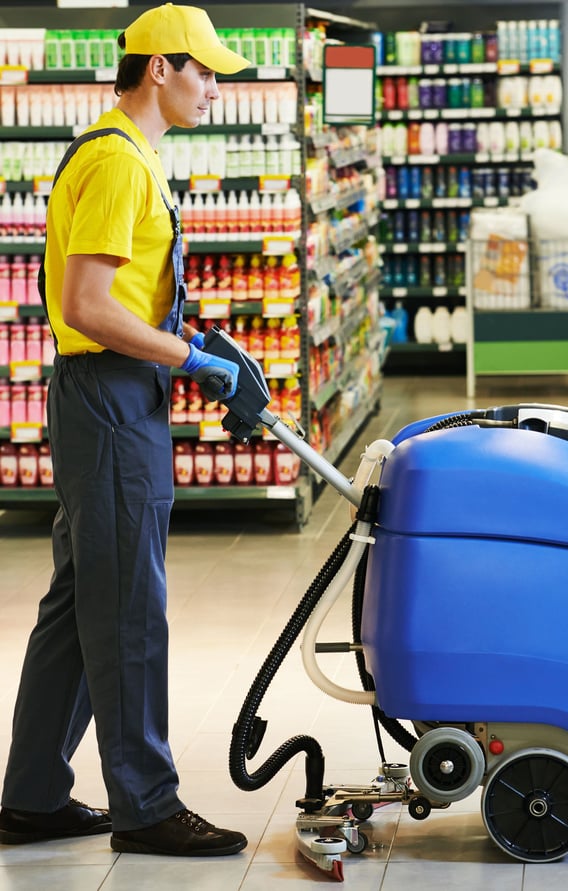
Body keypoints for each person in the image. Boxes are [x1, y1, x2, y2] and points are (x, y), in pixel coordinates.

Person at [0, 4, 250, 857]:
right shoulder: (117, 163)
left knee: (80, 604)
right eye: (204, 72)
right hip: (110, 399)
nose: (214, 89)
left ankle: (32, 793)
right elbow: (85, 306)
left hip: (108, 394)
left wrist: (195, 344)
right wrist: (187, 357)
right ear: (158, 69)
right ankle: (145, 803)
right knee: (129, 608)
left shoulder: (129, 150)